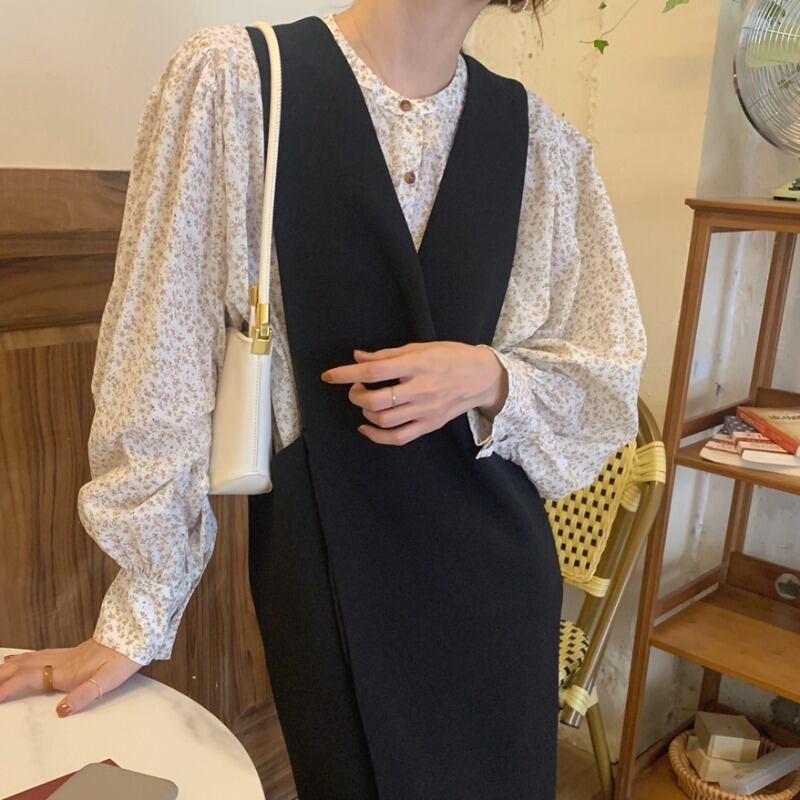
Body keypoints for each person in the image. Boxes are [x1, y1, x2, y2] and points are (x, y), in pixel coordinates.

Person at [0, 0, 646, 797]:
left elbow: (605, 380)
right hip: (325, 571)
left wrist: (489, 376)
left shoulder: (543, 144)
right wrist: (137, 615)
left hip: (497, 591)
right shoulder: (239, 82)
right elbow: (161, 351)